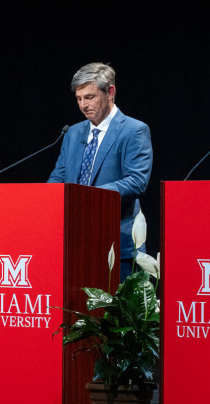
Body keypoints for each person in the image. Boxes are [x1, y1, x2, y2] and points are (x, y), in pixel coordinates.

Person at [47, 62, 153, 277]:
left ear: (110, 92)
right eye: (78, 99)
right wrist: (46, 199)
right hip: (74, 243)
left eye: (90, 97)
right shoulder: (73, 133)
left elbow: (136, 181)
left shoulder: (134, 130)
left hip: (116, 243)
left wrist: (87, 198)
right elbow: (58, 177)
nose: (83, 105)